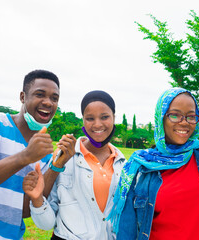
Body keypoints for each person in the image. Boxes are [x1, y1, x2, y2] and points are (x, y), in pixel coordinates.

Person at [108, 87, 199, 240]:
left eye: (191, 116)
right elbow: (127, 230)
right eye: (175, 115)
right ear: (161, 118)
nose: (184, 122)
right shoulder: (139, 168)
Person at [0, 69, 75, 240]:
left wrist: (55, 165)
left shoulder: (45, 152)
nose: (48, 102)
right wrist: (25, 156)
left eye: (54, 98)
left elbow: (24, 212)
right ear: (23, 97)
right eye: (40, 94)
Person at [23, 90, 126, 240]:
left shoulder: (125, 166)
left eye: (104, 117)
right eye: (90, 118)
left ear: (114, 118)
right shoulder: (64, 158)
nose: (97, 124)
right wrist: (38, 199)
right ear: (83, 120)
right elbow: (46, 224)